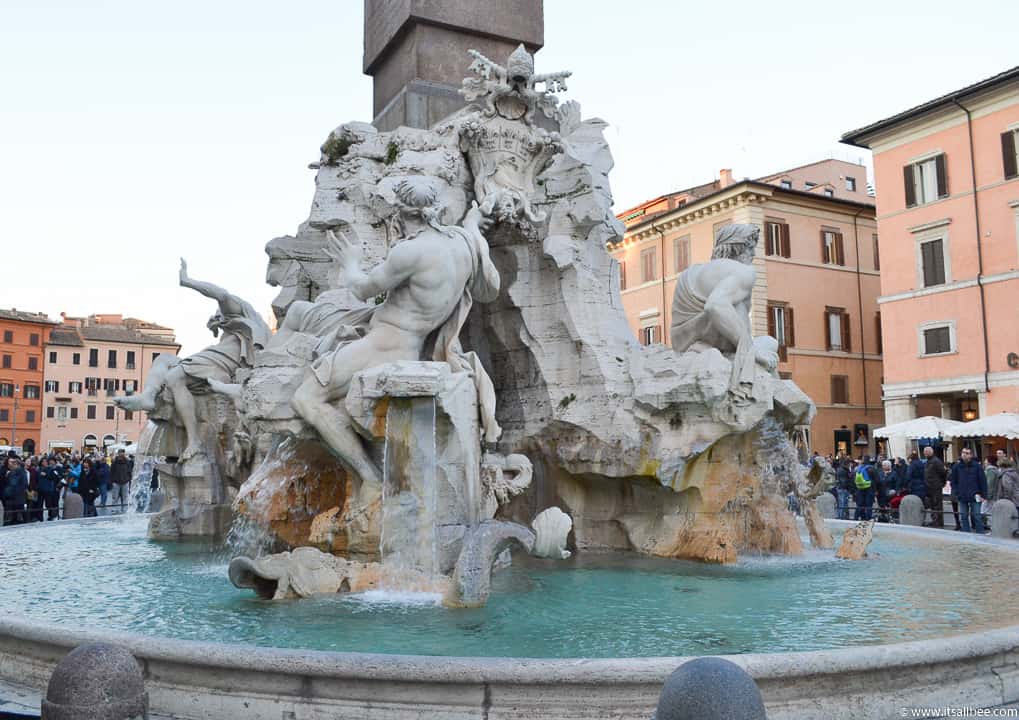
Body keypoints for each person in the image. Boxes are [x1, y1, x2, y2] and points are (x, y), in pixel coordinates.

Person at [950, 447, 987, 533]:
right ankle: (966, 534)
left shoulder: (977, 466)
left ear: (971, 455)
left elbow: (982, 481)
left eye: (967, 453)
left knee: (977, 516)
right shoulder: (957, 466)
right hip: (962, 495)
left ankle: (980, 534)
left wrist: (984, 495)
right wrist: (956, 492)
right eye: (963, 452)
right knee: (963, 516)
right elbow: (953, 481)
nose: (964, 454)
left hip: (976, 494)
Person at [923, 446, 948, 528]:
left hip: (936, 487)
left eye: (926, 452)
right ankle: (934, 520)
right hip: (929, 487)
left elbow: (943, 473)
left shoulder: (936, 461)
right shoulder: (928, 462)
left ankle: (939, 523)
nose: (924, 453)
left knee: (937, 505)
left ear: (931, 452)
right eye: (924, 452)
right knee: (932, 505)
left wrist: (942, 482)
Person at [2, 456, 28, 525]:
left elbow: (24, 484)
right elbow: (8, 483)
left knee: (21, 509)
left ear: (18, 465)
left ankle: (26, 522)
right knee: (14, 509)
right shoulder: (11, 473)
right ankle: (14, 521)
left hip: (19, 494)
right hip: (13, 495)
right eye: (12, 464)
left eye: (14, 464)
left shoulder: (22, 472)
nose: (13, 465)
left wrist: (16, 490)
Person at [853, 456, 877, 521]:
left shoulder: (858, 468)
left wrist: (854, 490)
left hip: (860, 488)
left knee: (860, 504)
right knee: (869, 505)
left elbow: (853, 479)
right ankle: (868, 519)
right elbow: (877, 480)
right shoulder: (872, 468)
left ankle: (857, 517)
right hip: (870, 489)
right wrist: (876, 490)